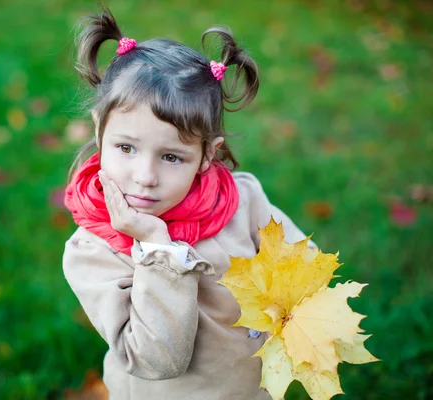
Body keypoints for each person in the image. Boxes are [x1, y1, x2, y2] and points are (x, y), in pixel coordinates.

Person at [62, 7, 315, 399]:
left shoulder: (243, 202)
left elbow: (305, 271)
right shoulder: (94, 250)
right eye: (126, 147)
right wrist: (157, 247)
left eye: (171, 157)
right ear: (100, 130)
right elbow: (156, 360)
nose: (145, 176)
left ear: (207, 155)